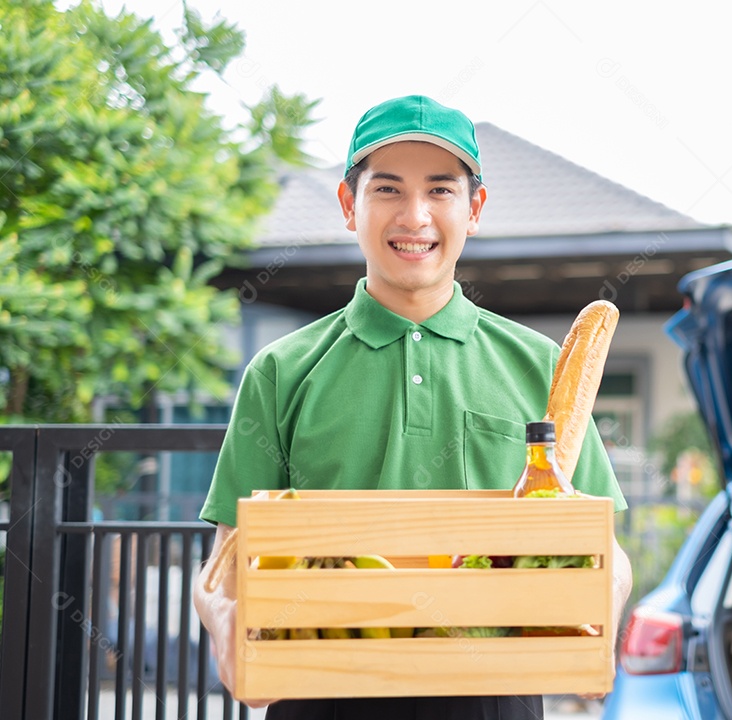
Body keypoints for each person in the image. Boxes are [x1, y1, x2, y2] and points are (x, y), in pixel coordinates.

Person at [194, 94, 632, 720]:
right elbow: (225, 561)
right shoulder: (281, 370)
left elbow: (604, 546)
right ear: (350, 205)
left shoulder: (542, 368)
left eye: (441, 191)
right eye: (389, 189)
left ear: (474, 208)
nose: (415, 215)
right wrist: (229, 629)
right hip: (320, 686)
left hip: (494, 696)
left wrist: (602, 622)